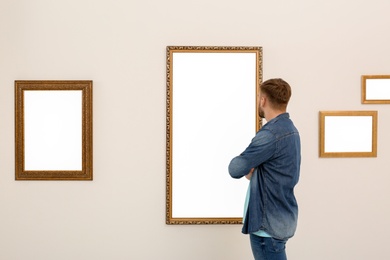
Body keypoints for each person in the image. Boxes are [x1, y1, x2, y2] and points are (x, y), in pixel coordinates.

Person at [228, 78, 301, 260]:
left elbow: (235, 168)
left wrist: (248, 167)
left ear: (263, 100)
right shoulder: (291, 130)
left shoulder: (270, 134)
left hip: (267, 227)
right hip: (281, 218)